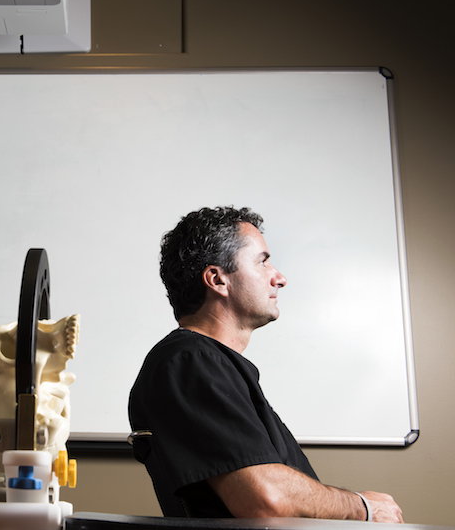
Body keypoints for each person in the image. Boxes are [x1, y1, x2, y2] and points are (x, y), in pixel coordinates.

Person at [128, 206, 403, 522]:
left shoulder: (206, 363)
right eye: (262, 261)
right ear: (217, 279)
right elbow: (266, 500)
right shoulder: (191, 361)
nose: (280, 278)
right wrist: (363, 508)